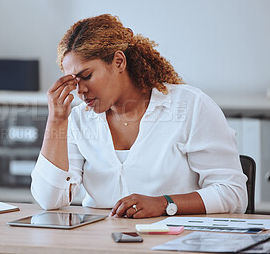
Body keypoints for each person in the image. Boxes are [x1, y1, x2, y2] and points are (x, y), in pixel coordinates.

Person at [31, 14, 247, 218]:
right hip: (98, 241)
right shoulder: (79, 119)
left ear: (118, 62)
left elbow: (233, 194)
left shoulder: (190, 106)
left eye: (86, 76)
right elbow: (49, 201)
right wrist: (56, 121)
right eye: (73, 82)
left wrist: (165, 203)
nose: (80, 91)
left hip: (175, 239)